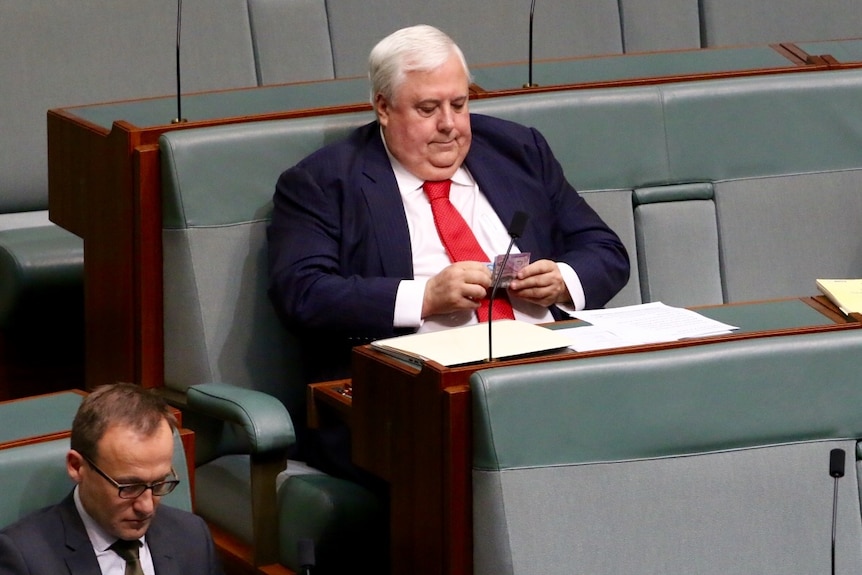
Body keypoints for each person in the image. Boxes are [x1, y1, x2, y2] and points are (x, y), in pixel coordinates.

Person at [267, 25, 630, 477]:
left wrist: (564, 279)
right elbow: (302, 293)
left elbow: (605, 249)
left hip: (548, 381)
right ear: (383, 106)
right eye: (427, 108)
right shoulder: (325, 181)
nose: (450, 125)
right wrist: (423, 298)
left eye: (459, 104)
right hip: (416, 402)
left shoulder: (517, 150)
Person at [0, 383, 223, 575]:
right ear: (77, 467)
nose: (146, 507)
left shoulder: (193, 537)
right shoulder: (24, 560)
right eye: (128, 487)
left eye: (159, 483)